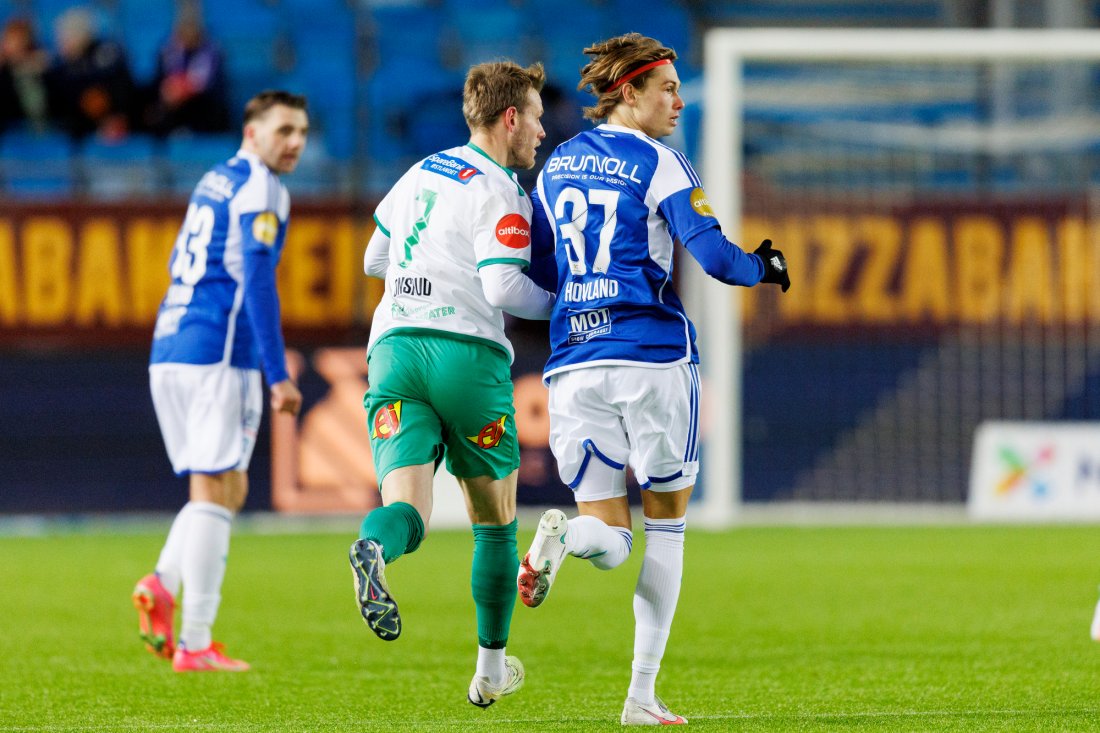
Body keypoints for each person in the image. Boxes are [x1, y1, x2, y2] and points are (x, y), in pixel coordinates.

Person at [517, 33, 790, 726]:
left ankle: (561, 539)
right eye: (664, 88)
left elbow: (543, 273)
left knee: (605, 534)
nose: (676, 100)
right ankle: (640, 696)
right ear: (629, 94)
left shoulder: (554, 167)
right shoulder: (659, 162)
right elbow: (719, 261)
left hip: (574, 363)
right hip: (653, 359)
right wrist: (767, 266)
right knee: (665, 528)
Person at [348, 60, 553, 708]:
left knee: (409, 507)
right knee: (494, 524)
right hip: (466, 358)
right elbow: (502, 287)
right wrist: (571, 303)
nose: (543, 132)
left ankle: (373, 546)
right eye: (538, 118)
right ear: (511, 118)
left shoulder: (418, 172)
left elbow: (372, 260)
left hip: (394, 351)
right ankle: (490, 669)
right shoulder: (502, 190)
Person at [133, 90, 309, 672]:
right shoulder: (264, 189)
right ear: (252, 131)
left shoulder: (215, 179)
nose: (295, 143)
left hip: (171, 347)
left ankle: (162, 582)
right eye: (283, 130)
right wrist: (278, 375)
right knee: (217, 491)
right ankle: (195, 642)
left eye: (302, 132)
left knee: (223, 489)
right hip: (217, 355)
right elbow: (258, 283)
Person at [46, 7, 135, 141]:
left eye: (66, 36)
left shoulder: (108, 55)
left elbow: (121, 90)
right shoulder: (59, 66)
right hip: (78, 124)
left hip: (115, 119)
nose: (61, 42)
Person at [142, 3, 230, 136]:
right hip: (172, 108)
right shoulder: (166, 50)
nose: (188, 30)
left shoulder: (213, 51)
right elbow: (159, 81)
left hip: (203, 108)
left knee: (210, 110)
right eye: (184, 25)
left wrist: (185, 89)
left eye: (192, 25)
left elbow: (211, 85)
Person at [0, 17, 52, 134]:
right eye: (8, 39)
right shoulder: (3, 66)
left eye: (16, 40)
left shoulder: (39, 62)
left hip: (31, 120)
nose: (11, 45)